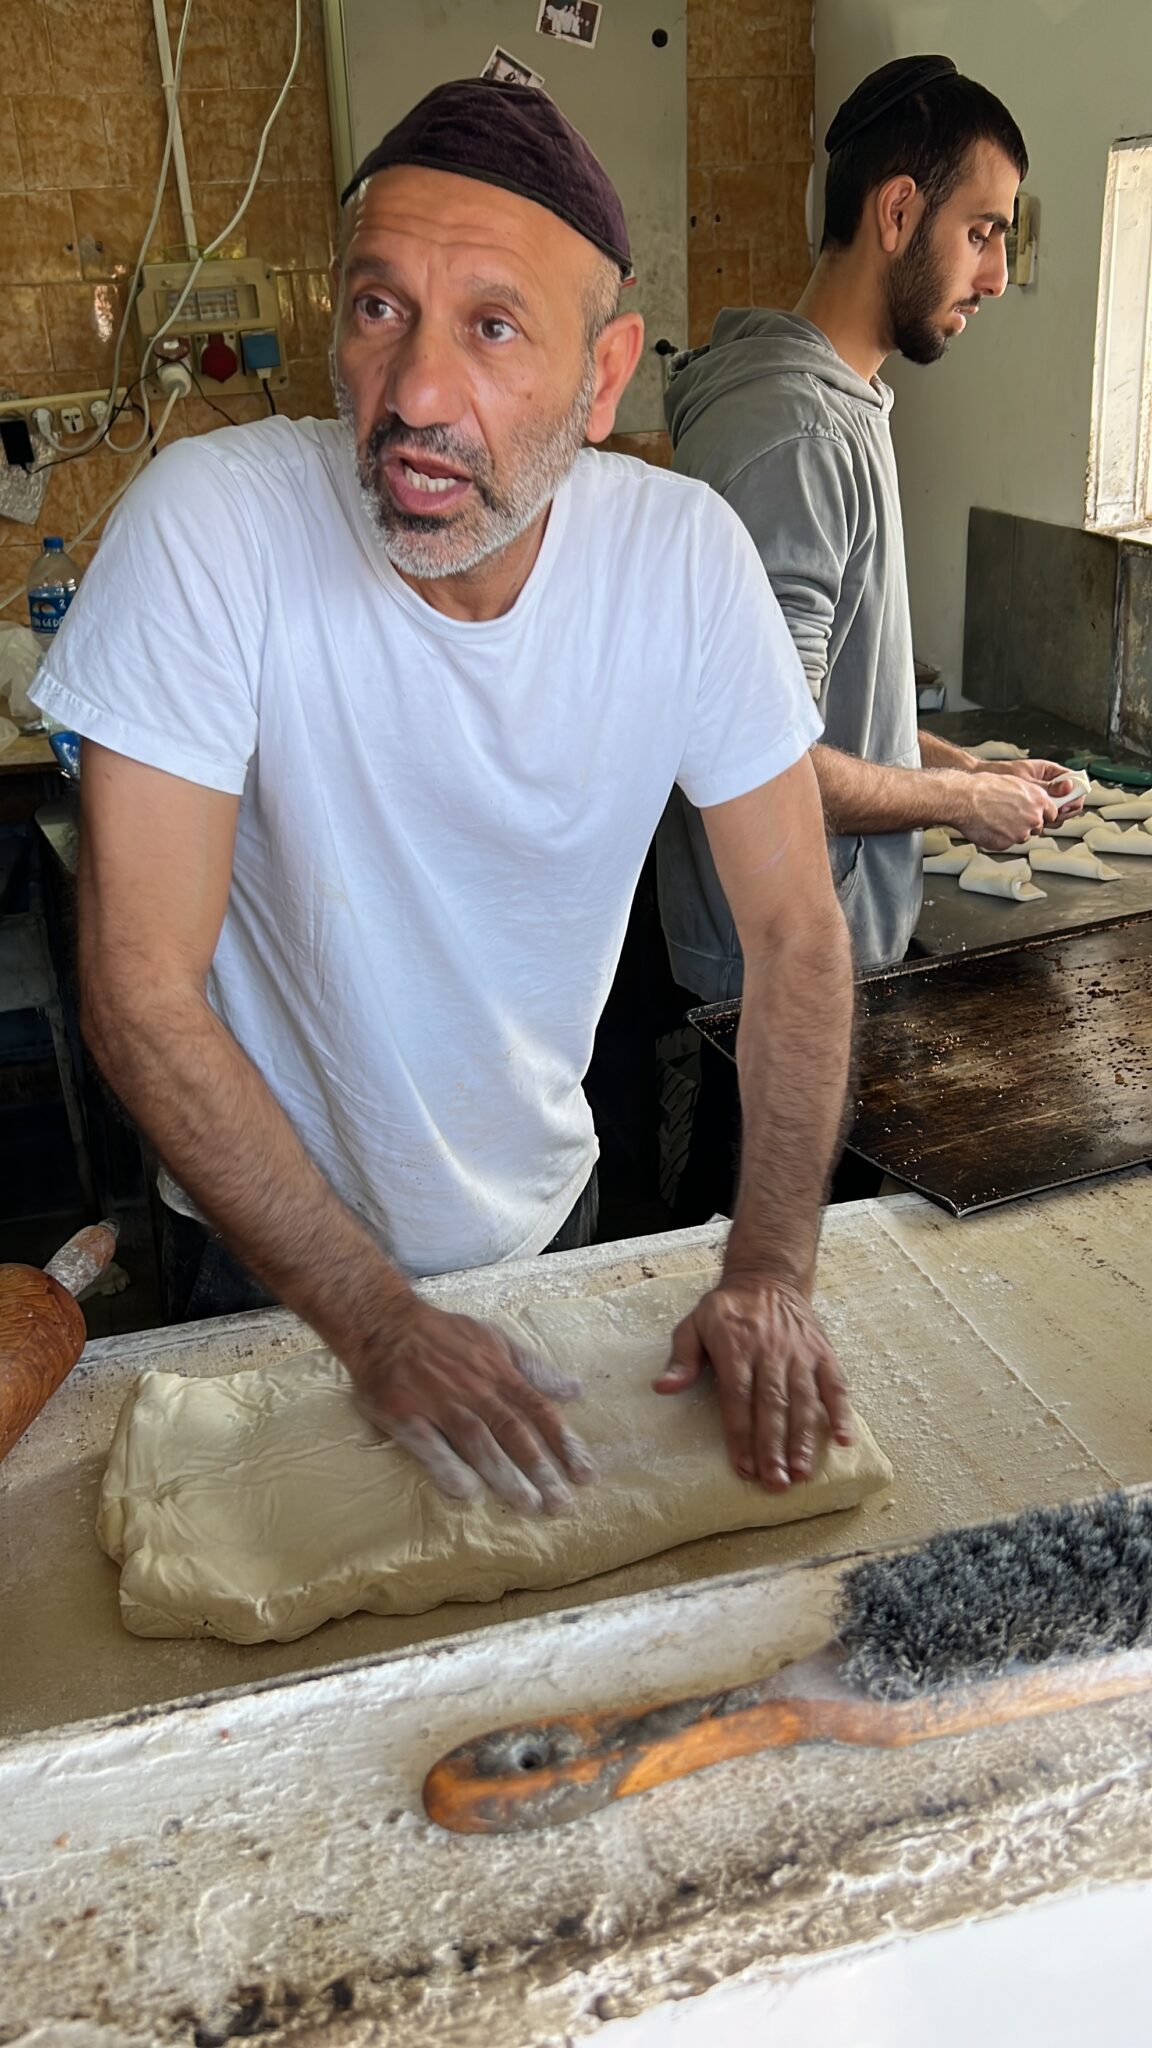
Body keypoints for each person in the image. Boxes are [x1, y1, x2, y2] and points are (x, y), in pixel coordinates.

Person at [33, 79, 855, 1515]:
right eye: (377, 310)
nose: (416, 394)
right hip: (267, 1260)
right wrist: (376, 1322)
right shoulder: (210, 531)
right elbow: (137, 988)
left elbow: (794, 934)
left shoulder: (685, 568)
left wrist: (773, 1271)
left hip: (551, 1219)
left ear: (604, 377)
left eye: (491, 327)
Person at [657, 55, 1081, 1216]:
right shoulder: (789, 434)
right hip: (765, 988)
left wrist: (964, 763)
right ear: (898, 211)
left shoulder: (835, 401)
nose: (997, 273)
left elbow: (819, 701)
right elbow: (759, 767)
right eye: (983, 230)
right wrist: (962, 808)